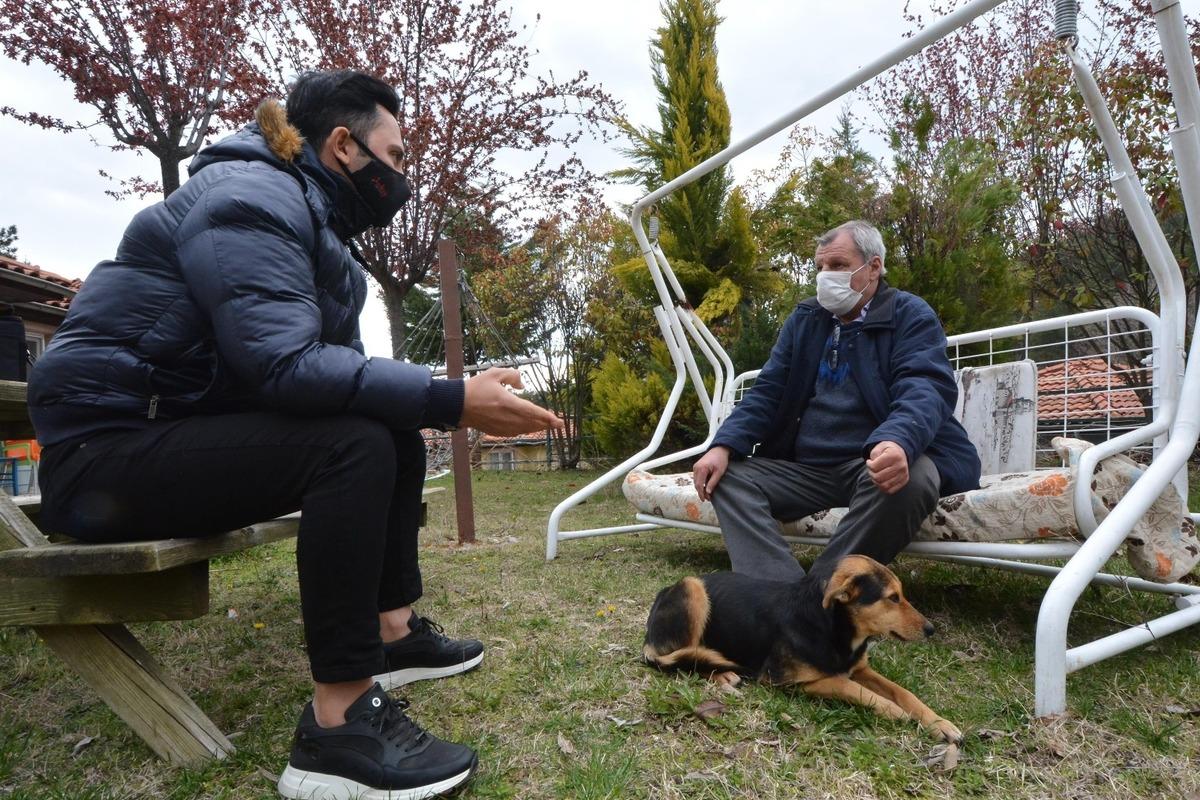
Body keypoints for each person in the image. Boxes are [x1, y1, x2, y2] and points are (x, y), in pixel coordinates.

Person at [27, 70, 561, 799]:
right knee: (356, 444)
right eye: (395, 155)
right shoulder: (250, 197)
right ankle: (336, 732)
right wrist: (450, 397)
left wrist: (438, 395)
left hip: (163, 437)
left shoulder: (313, 225)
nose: (401, 176)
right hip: (102, 459)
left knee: (387, 427)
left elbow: (335, 375)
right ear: (343, 145)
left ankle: (391, 632)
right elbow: (285, 367)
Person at [691, 220, 980, 582]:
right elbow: (768, 390)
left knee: (914, 477)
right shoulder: (805, 319)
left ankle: (820, 591)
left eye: (839, 265)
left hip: (869, 464)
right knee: (728, 477)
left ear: (874, 267)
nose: (826, 275)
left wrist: (898, 441)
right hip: (806, 469)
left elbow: (924, 386)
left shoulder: (909, 315)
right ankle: (779, 590)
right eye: (821, 267)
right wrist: (724, 445)